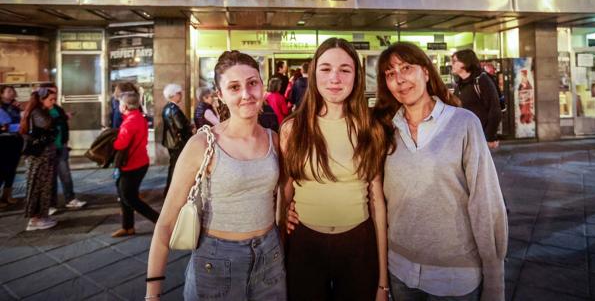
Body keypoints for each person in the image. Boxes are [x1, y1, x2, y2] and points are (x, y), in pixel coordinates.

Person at [146, 51, 286, 300]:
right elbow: (166, 222)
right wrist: (152, 294)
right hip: (217, 262)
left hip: (270, 258)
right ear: (220, 95)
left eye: (252, 83)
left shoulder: (274, 139)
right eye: (234, 87)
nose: (246, 94)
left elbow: (280, 196)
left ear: (262, 86)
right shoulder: (203, 144)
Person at [373, 42, 508, 301]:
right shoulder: (386, 129)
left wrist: (494, 279)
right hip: (400, 271)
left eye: (406, 68)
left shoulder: (463, 123)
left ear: (426, 72)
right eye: (390, 74)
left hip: (454, 276)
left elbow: (486, 202)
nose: (399, 79)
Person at [282, 38, 389, 301]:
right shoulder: (292, 128)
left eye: (345, 69)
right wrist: (283, 215)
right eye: (326, 68)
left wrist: (383, 284)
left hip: (358, 246)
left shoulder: (370, 129)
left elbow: (377, 202)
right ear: (314, 72)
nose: (335, 78)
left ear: (357, 76)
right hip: (304, 245)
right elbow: (284, 190)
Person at [112, 91, 159, 237]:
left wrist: (112, 142)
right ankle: (127, 227)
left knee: (129, 197)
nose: (119, 106)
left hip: (131, 164)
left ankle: (160, 222)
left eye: (120, 104)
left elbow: (120, 145)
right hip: (139, 162)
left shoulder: (129, 122)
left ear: (125, 106)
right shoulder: (139, 118)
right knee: (124, 194)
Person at [41, 83, 87, 211]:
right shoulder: (40, 111)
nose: (53, 98)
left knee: (65, 173)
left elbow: (62, 125)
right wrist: (61, 118)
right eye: (51, 95)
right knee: (50, 177)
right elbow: (46, 125)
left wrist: (65, 141)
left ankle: (70, 198)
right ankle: (50, 204)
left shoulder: (57, 108)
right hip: (48, 148)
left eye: (55, 95)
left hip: (60, 145)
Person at [19, 87, 58, 231]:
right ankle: (35, 219)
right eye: (51, 99)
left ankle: (41, 216)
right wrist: (55, 116)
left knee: (43, 186)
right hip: (39, 156)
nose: (54, 102)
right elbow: (48, 124)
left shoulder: (40, 111)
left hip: (43, 155)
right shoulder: (37, 112)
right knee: (38, 187)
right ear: (41, 99)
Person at [452, 49, 502, 149]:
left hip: (480, 137)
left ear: (464, 63)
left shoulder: (482, 80)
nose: (451, 64)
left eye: (454, 61)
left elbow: (495, 110)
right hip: (464, 136)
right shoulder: (460, 83)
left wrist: (489, 137)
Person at [161, 83, 193, 197]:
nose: (181, 96)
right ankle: (171, 191)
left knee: (174, 166)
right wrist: (190, 127)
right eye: (179, 93)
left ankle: (170, 190)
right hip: (178, 143)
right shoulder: (173, 109)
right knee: (175, 166)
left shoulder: (167, 107)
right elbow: (181, 126)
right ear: (173, 95)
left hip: (172, 142)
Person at [0, 85, 23, 207]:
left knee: (12, 169)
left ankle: (7, 195)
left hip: (15, 139)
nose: (12, 93)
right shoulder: (1, 108)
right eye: (8, 91)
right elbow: (5, 125)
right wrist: (21, 126)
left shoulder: (15, 106)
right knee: (2, 169)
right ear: (1, 94)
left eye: (13, 91)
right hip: (3, 141)